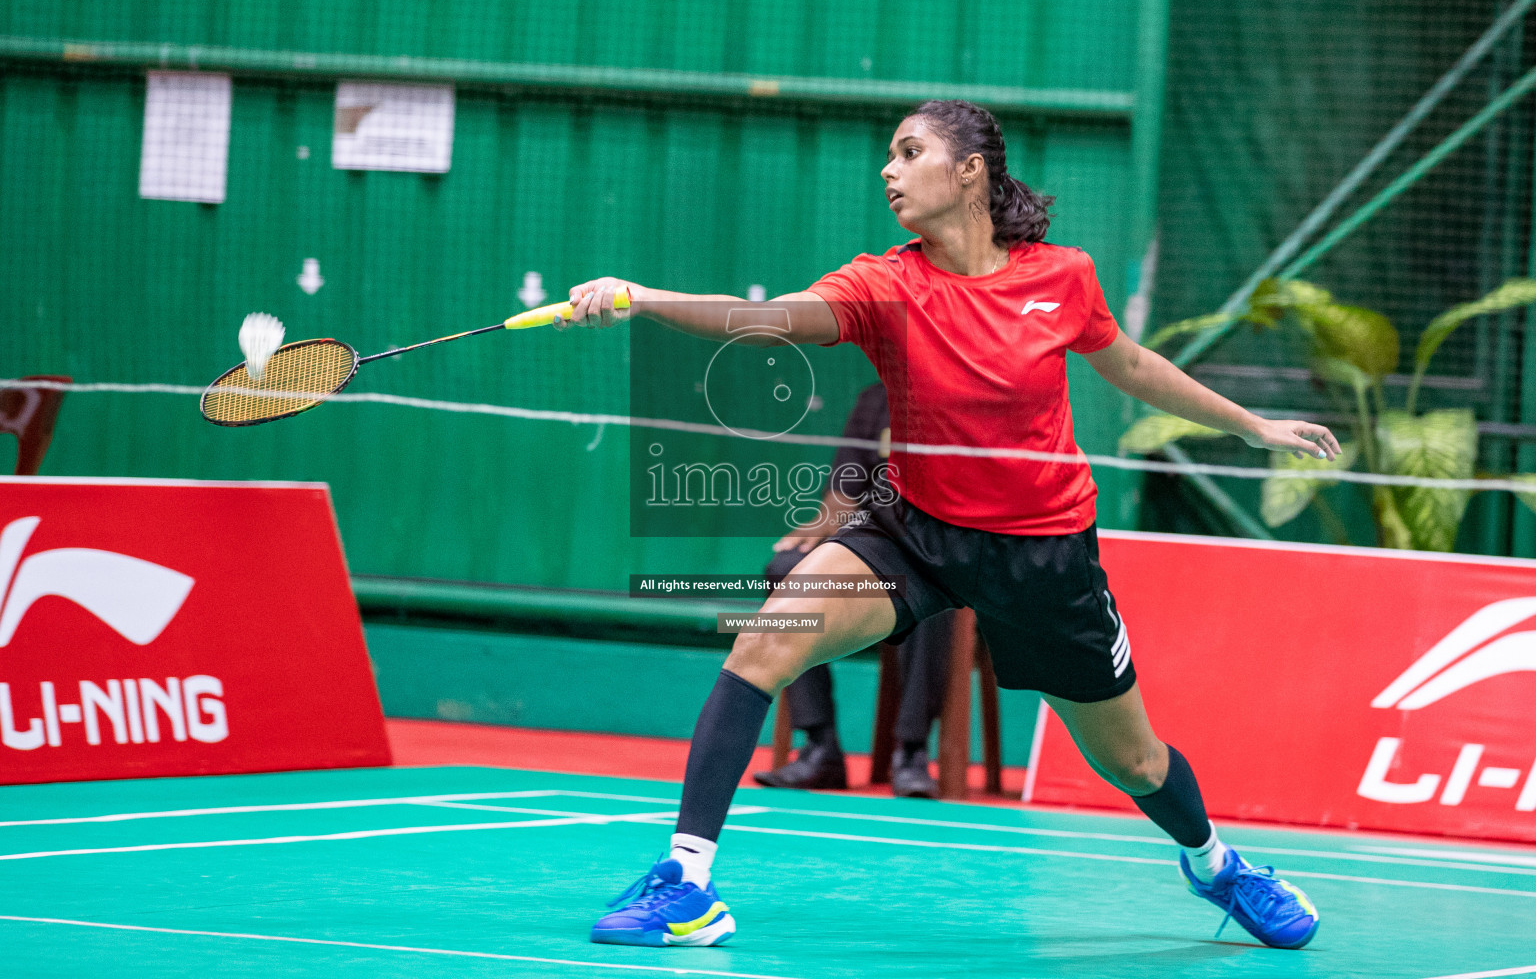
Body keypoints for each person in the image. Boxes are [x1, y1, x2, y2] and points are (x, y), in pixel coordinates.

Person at [565, 99, 1336, 951]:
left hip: (1044, 558)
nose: (889, 171)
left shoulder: (1062, 275)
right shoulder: (884, 284)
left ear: (969, 169)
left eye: (909, 152)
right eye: (887, 157)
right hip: (916, 533)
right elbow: (773, 320)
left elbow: (1130, 363)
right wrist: (643, 298)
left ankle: (1217, 867)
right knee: (763, 642)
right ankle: (687, 883)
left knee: (1135, 762)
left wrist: (1251, 426)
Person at [752, 382, 952, 798]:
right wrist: (820, 528)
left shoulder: (971, 396)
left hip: (946, 547)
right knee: (786, 569)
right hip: (876, 547)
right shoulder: (877, 398)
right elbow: (845, 490)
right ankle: (820, 748)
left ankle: (912, 751)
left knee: (938, 592)